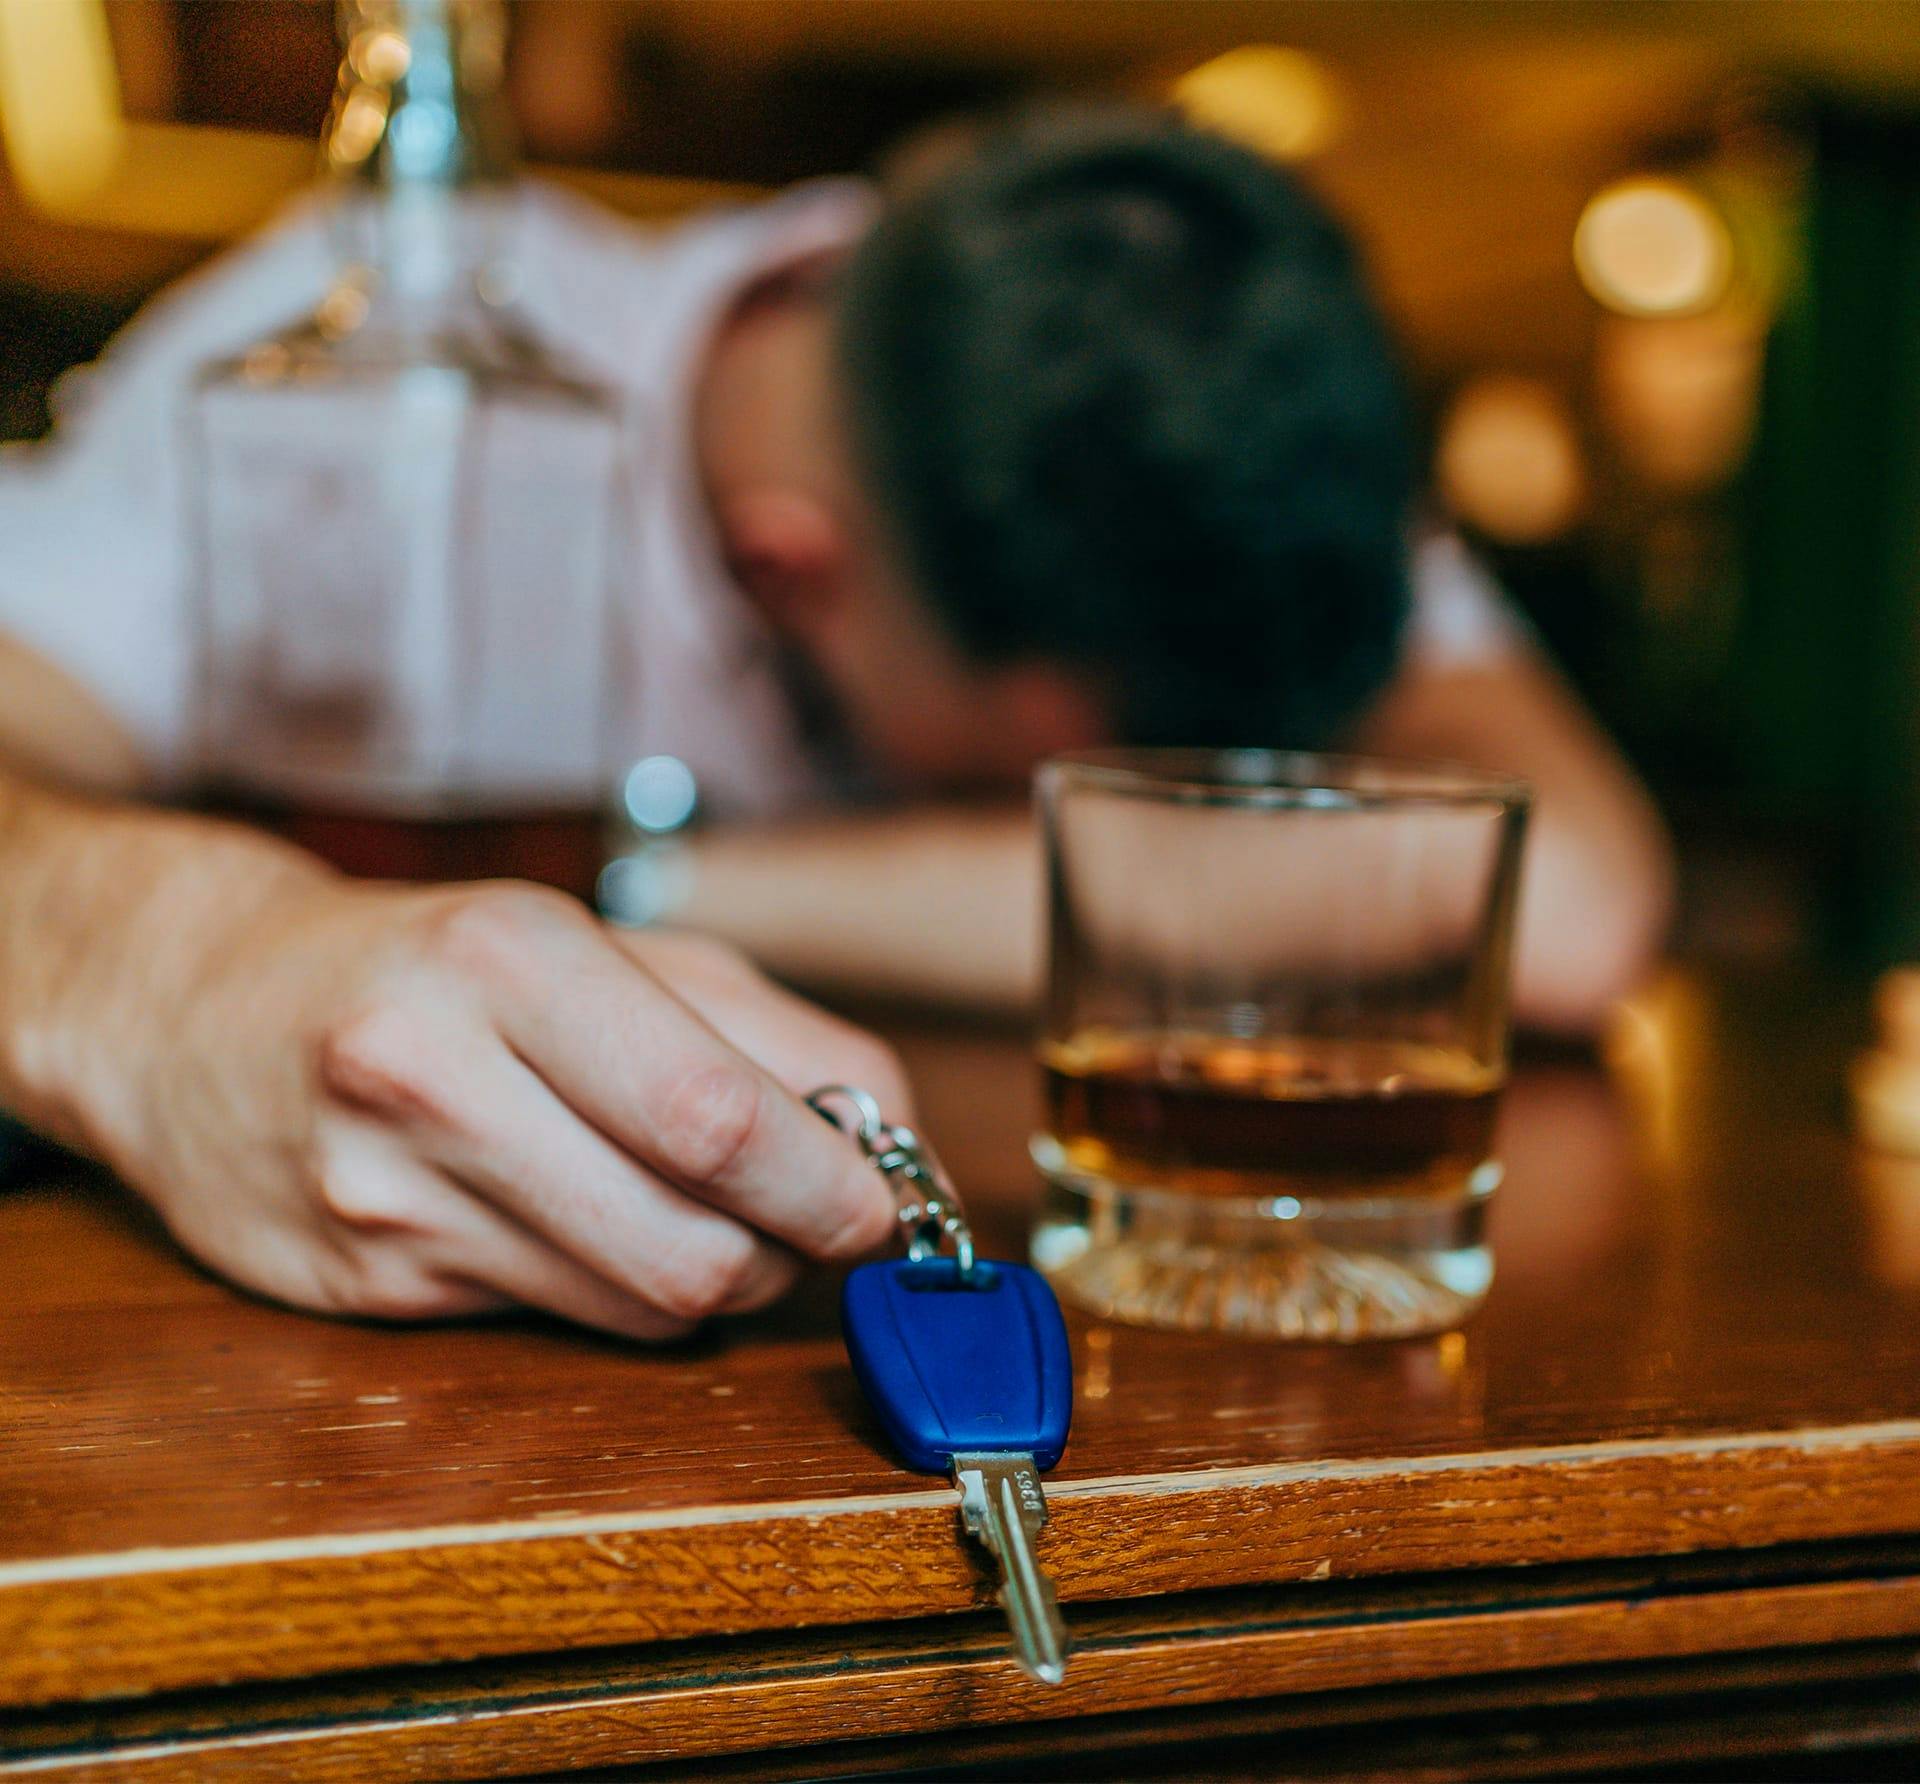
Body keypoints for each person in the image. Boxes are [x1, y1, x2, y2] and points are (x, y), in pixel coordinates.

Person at [0, 104, 1670, 1334]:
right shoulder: (370, 364)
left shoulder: (1171, 392)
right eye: (1051, 778)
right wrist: (164, 966)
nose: (1063, 815)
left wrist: (642, 885)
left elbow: (1570, 908)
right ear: (792, 565)